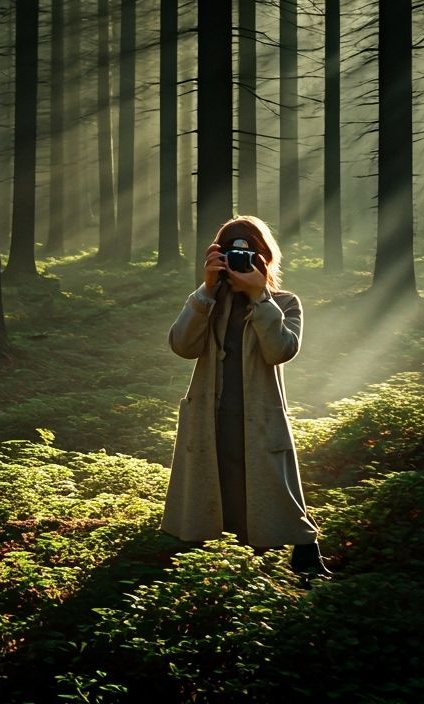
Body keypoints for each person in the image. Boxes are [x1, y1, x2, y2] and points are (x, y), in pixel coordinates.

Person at [161, 215, 332, 580]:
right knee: (218, 487)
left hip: (259, 417)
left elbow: (281, 350)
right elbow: (182, 346)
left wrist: (259, 296)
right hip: (212, 415)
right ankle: (229, 567)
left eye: (248, 253)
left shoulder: (284, 302)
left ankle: (305, 558)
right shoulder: (209, 302)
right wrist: (205, 290)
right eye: (230, 252)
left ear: (264, 257)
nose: (240, 261)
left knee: (274, 489)